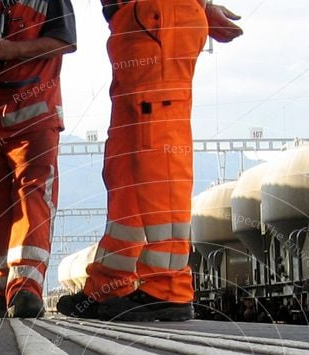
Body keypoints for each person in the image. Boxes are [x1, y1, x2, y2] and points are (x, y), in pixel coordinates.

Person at [57, 0, 242, 322]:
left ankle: (167, 287)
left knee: (159, 157)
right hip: (135, 26)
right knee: (126, 167)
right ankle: (109, 284)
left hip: (156, 20)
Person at [0, 0, 76, 319]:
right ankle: (6, 285)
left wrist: (12, 50)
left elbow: (66, 40)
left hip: (32, 121)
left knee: (31, 197)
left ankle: (26, 289)